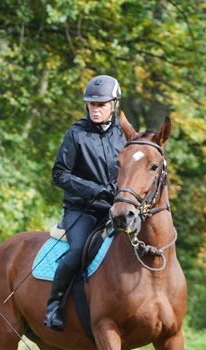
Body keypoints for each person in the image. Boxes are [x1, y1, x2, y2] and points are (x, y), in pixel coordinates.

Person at [44, 75, 127, 330]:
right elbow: (59, 174)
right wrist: (94, 191)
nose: (95, 109)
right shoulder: (76, 134)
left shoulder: (124, 136)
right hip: (82, 210)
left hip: (114, 209)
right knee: (79, 250)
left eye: (101, 104)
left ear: (114, 104)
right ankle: (54, 307)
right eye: (91, 104)